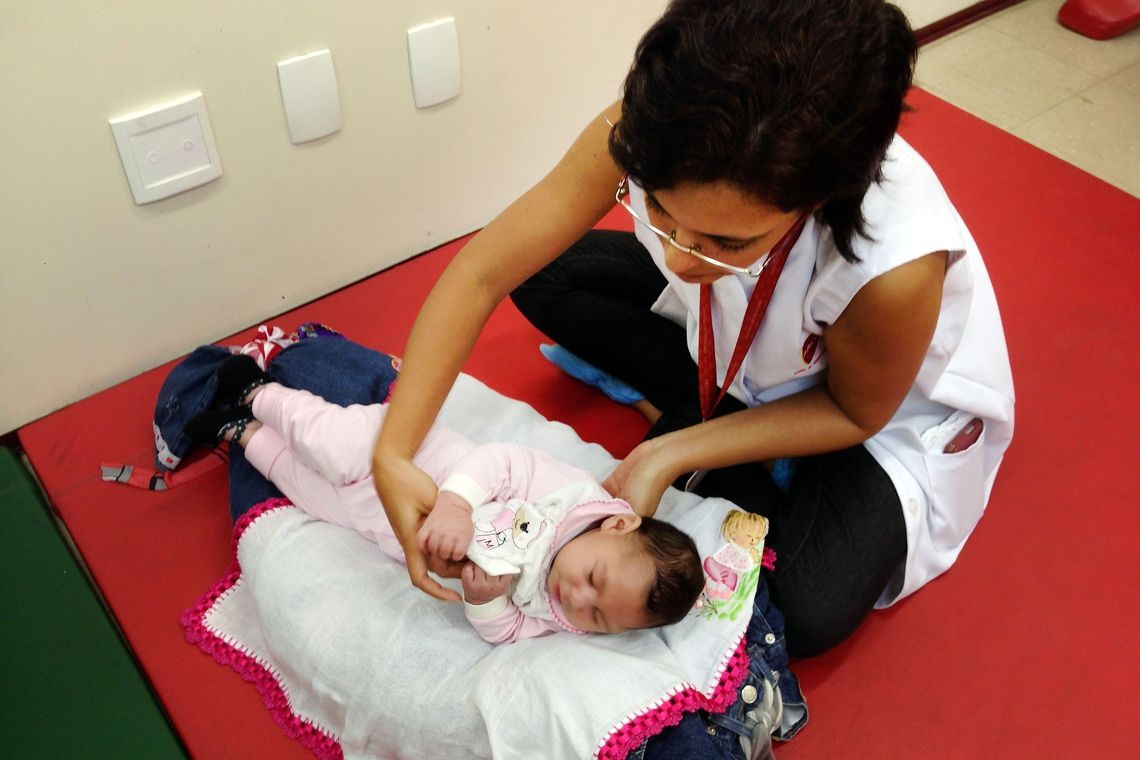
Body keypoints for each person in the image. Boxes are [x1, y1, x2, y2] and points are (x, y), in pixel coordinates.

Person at [370, 0, 1014, 668]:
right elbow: (482, 271)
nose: (678, 258)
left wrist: (666, 455)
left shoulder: (894, 267)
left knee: (806, 610)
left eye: (725, 240)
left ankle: (708, 432)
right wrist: (391, 453)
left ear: (815, 199)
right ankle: (718, 421)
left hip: (870, 419)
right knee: (542, 276)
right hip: (731, 342)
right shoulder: (650, 131)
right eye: (662, 213)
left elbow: (855, 408)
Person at [185, 355, 705, 644]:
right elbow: (502, 461)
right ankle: (259, 393)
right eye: (593, 580)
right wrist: (456, 504)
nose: (577, 599)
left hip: (389, 526)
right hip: (410, 459)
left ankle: (242, 432)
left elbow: (509, 631)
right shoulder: (571, 500)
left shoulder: (554, 610)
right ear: (616, 527)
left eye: (597, 618)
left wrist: (486, 603)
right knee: (327, 443)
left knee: (310, 492)